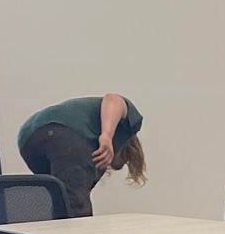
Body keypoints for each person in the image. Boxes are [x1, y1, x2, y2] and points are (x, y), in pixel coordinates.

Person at [17, 93, 145, 217]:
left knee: (59, 202)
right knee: (76, 208)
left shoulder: (90, 139)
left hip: (28, 139)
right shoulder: (130, 124)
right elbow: (113, 98)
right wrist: (106, 135)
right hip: (65, 134)